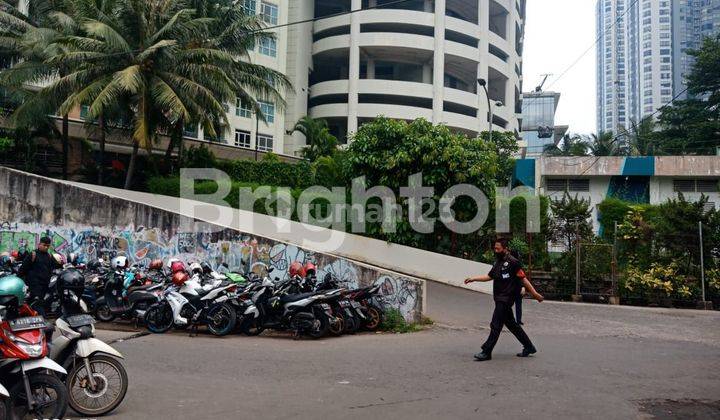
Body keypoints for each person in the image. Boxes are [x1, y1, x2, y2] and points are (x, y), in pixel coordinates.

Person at [465, 238, 544, 361]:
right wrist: (473, 279)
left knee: (495, 324)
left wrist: (535, 294)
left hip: (506, 298)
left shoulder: (513, 262)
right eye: (495, 248)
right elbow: (489, 276)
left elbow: (523, 279)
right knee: (512, 325)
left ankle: (486, 351)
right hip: (499, 297)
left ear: (505, 249)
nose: (496, 251)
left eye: (498, 249)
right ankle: (529, 347)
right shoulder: (497, 262)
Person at [19, 236, 60, 315]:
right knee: (37, 304)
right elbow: (23, 268)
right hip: (34, 286)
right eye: (44, 245)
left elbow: (53, 267)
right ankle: (42, 320)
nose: (46, 247)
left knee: (42, 302)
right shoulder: (33, 254)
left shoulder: (49, 256)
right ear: (39, 244)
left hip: (45, 285)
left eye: (48, 246)